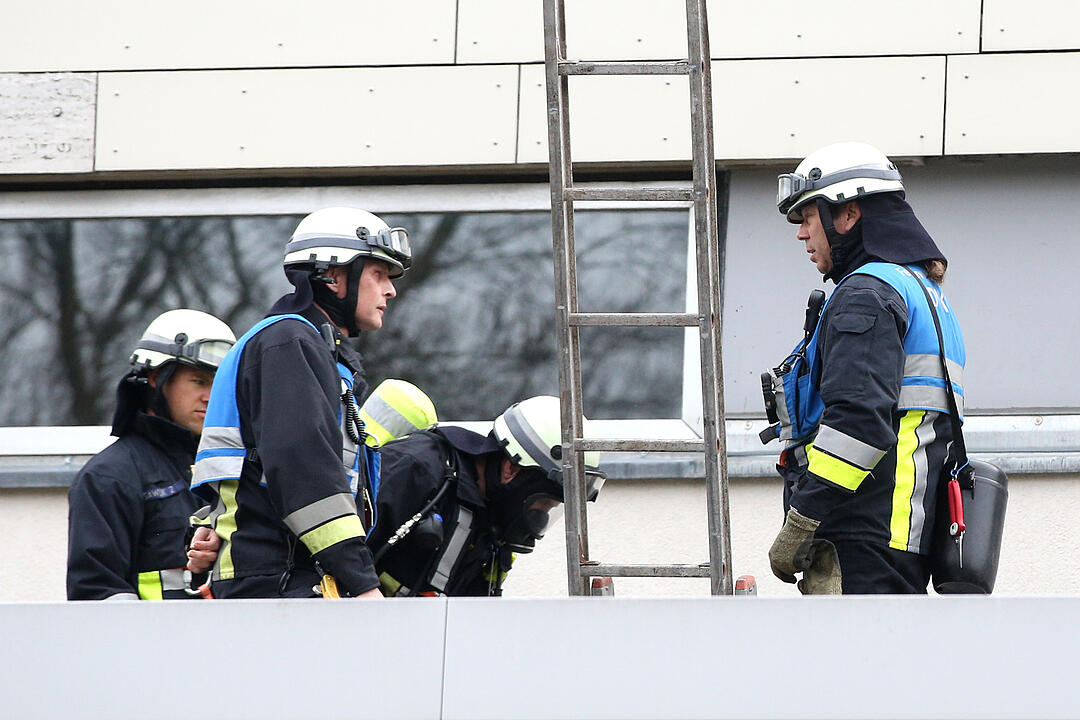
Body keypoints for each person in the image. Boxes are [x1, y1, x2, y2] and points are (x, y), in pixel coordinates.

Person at [765, 141, 966, 594]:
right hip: (899, 534)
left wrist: (802, 519)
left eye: (808, 217)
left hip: (861, 536)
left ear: (848, 214)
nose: (801, 234)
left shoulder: (867, 294)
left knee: (852, 665)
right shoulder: (924, 293)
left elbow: (859, 424)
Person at [189, 207, 410, 599]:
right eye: (378, 274)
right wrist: (362, 582)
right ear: (334, 275)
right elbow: (304, 472)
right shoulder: (290, 344)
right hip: (280, 578)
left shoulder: (308, 348)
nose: (390, 290)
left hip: (285, 573)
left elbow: (250, 470)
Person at [66, 309, 236, 600]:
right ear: (156, 377)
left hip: (222, 641)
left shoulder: (227, 468)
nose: (210, 396)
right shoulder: (110, 477)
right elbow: (97, 595)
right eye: (199, 381)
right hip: (152, 644)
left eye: (218, 385)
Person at [369, 395, 605, 597]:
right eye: (543, 503)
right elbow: (343, 548)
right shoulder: (419, 468)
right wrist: (364, 595)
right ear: (511, 469)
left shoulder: (490, 524)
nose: (540, 519)